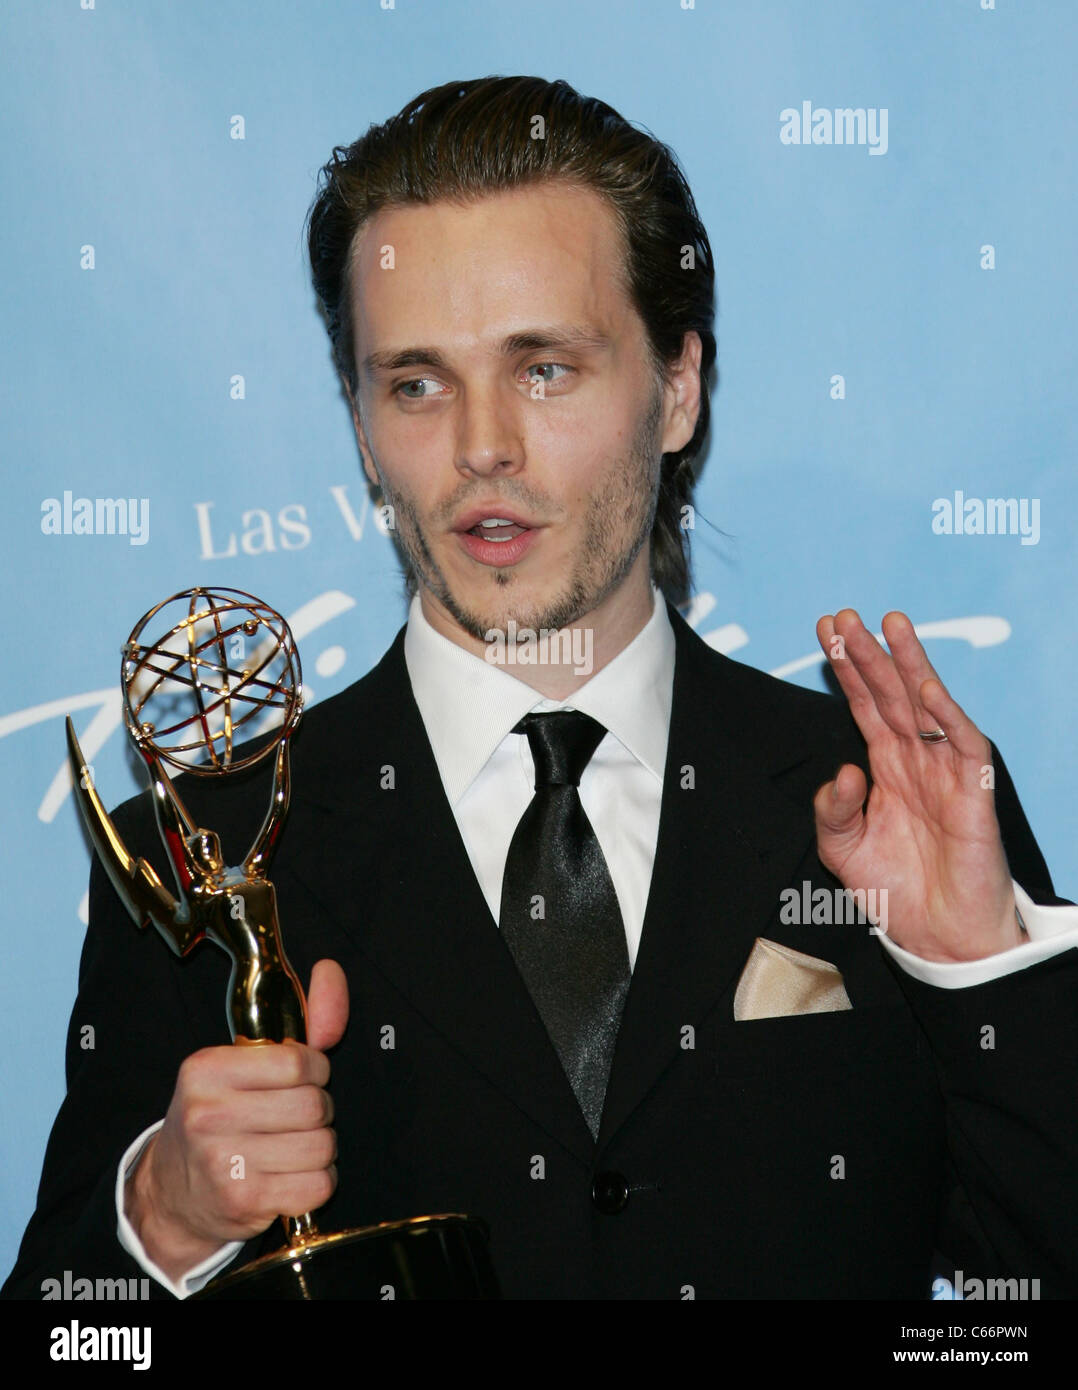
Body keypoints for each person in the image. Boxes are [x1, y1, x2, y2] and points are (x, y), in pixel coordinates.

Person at [5, 75, 1077, 1301]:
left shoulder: (889, 808)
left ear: (677, 389)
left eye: (546, 370)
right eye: (415, 382)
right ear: (360, 426)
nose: (481, 447)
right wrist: (165, 1215)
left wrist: (979, 973)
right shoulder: (205, 851)